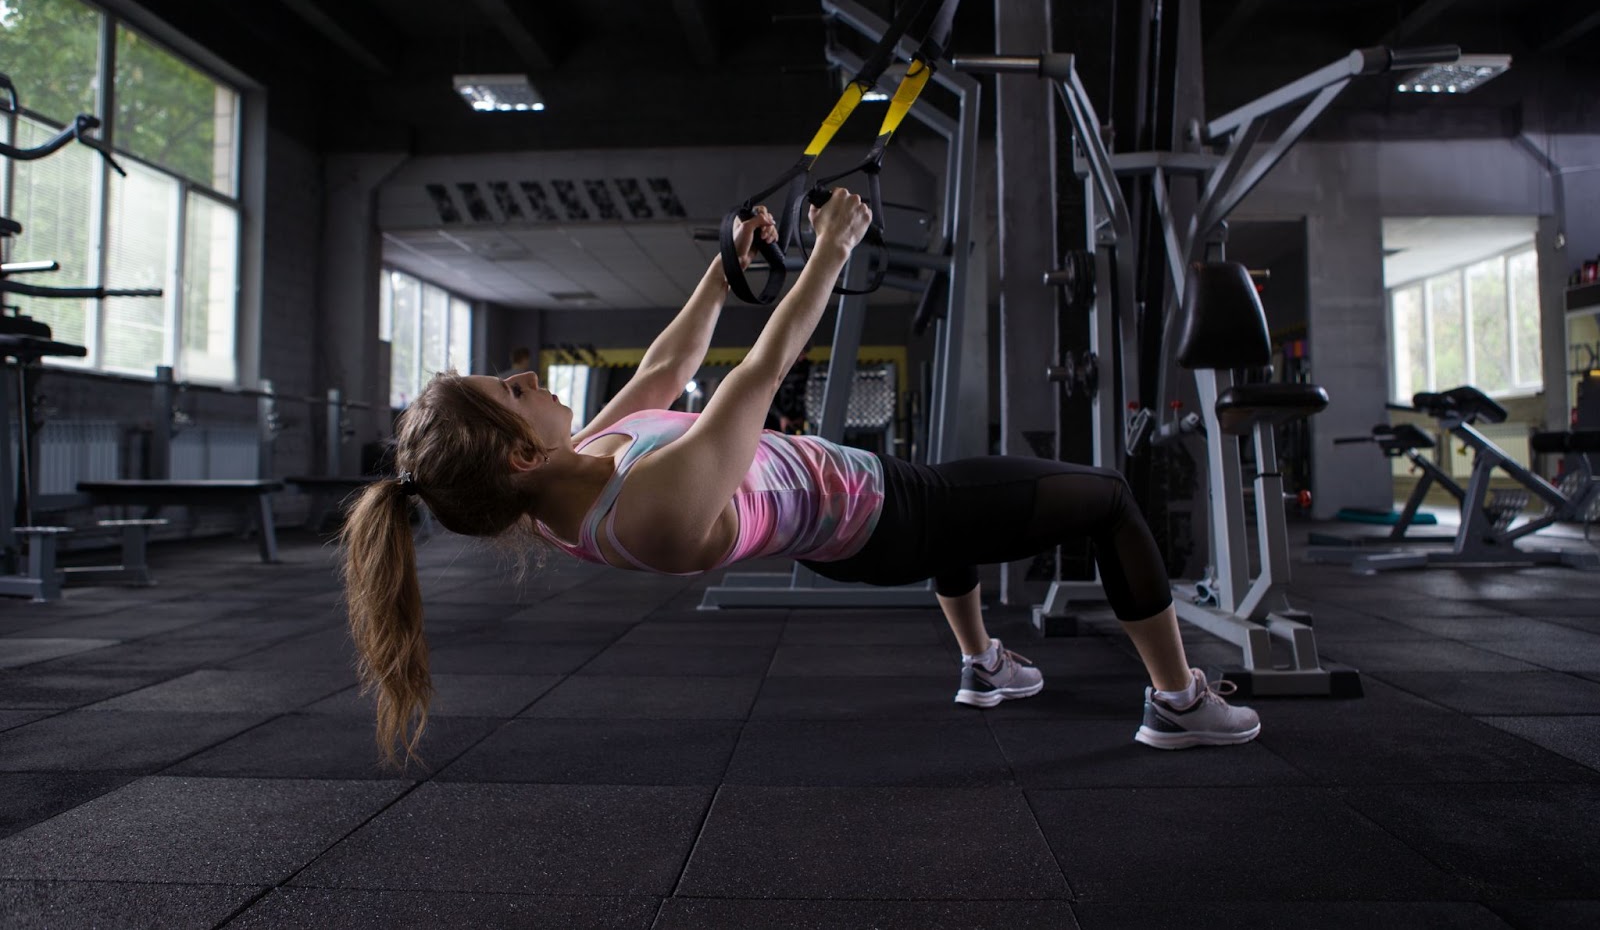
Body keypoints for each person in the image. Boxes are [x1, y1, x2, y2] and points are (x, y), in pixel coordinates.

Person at [341, 191, 1259, 766]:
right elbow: (758, 375)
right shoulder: (648, 512)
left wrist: (723, 270)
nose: (533, 381)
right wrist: (833, 249)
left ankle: (985, 667)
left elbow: (668, 370)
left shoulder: (569, 477)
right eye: (513, 389)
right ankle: (1179, 701)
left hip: (861, 510)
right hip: (885, 521)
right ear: (517, 454)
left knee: (962, 512)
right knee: (1106, 497)